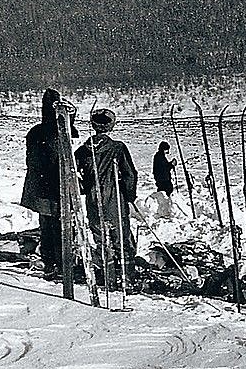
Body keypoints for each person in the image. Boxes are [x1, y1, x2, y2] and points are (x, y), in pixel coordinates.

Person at [74, 109, 139, 288]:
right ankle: (128, 280)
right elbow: (129, 174)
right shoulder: (118, 148)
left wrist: (85, 188)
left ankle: (109, 279)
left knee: (101, 239)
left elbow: (74, 176)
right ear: (111, 126)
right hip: (114, 200)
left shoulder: (82, 151)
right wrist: (130, 195)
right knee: (121, 238)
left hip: (93, 202)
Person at [20, 88, 77, 279]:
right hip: (55, 188)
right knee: (60, 226)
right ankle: (60, 264)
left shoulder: (36, 131)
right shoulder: (58, 131)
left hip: (41, 188)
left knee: (47, 226)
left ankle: (51, 263)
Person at [152, 141, 176, 218]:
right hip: (163, 179)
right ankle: (165, 211)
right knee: (165, 194)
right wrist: (171, 164)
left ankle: (164, 210)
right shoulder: (160, 157)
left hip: (161, 179)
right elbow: (164, 169)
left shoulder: (159, 156)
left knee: (163, 194)